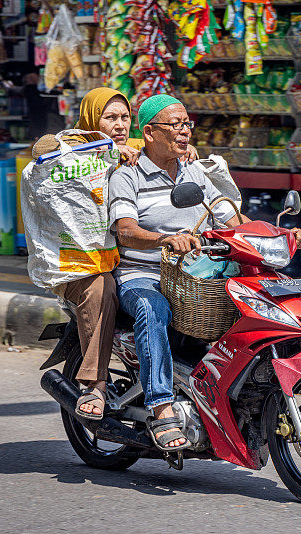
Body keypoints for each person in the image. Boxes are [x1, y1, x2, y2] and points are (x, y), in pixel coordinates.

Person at [109, 94, 301, 450]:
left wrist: (278, 235)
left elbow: (232, 219)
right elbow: (125, 230)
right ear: (150, 132)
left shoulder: (193, 172)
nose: (184, 132)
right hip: (144, 275)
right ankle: (160, 406)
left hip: (196, 275)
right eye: (175, 125)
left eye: (188, 124)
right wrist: (165, 240)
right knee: (151, 309)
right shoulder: (128, 177)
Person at [31, 87, 199, 420]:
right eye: (110, 118)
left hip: (123, 257)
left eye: (124, 117)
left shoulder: (137, 148)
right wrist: (103, 149)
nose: (120, 125)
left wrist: (185, 146)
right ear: (93, 118)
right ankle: (95, 384)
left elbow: (164, 145)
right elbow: (42, 149)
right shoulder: (77, 144)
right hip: (82, 263)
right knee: (102, 288)